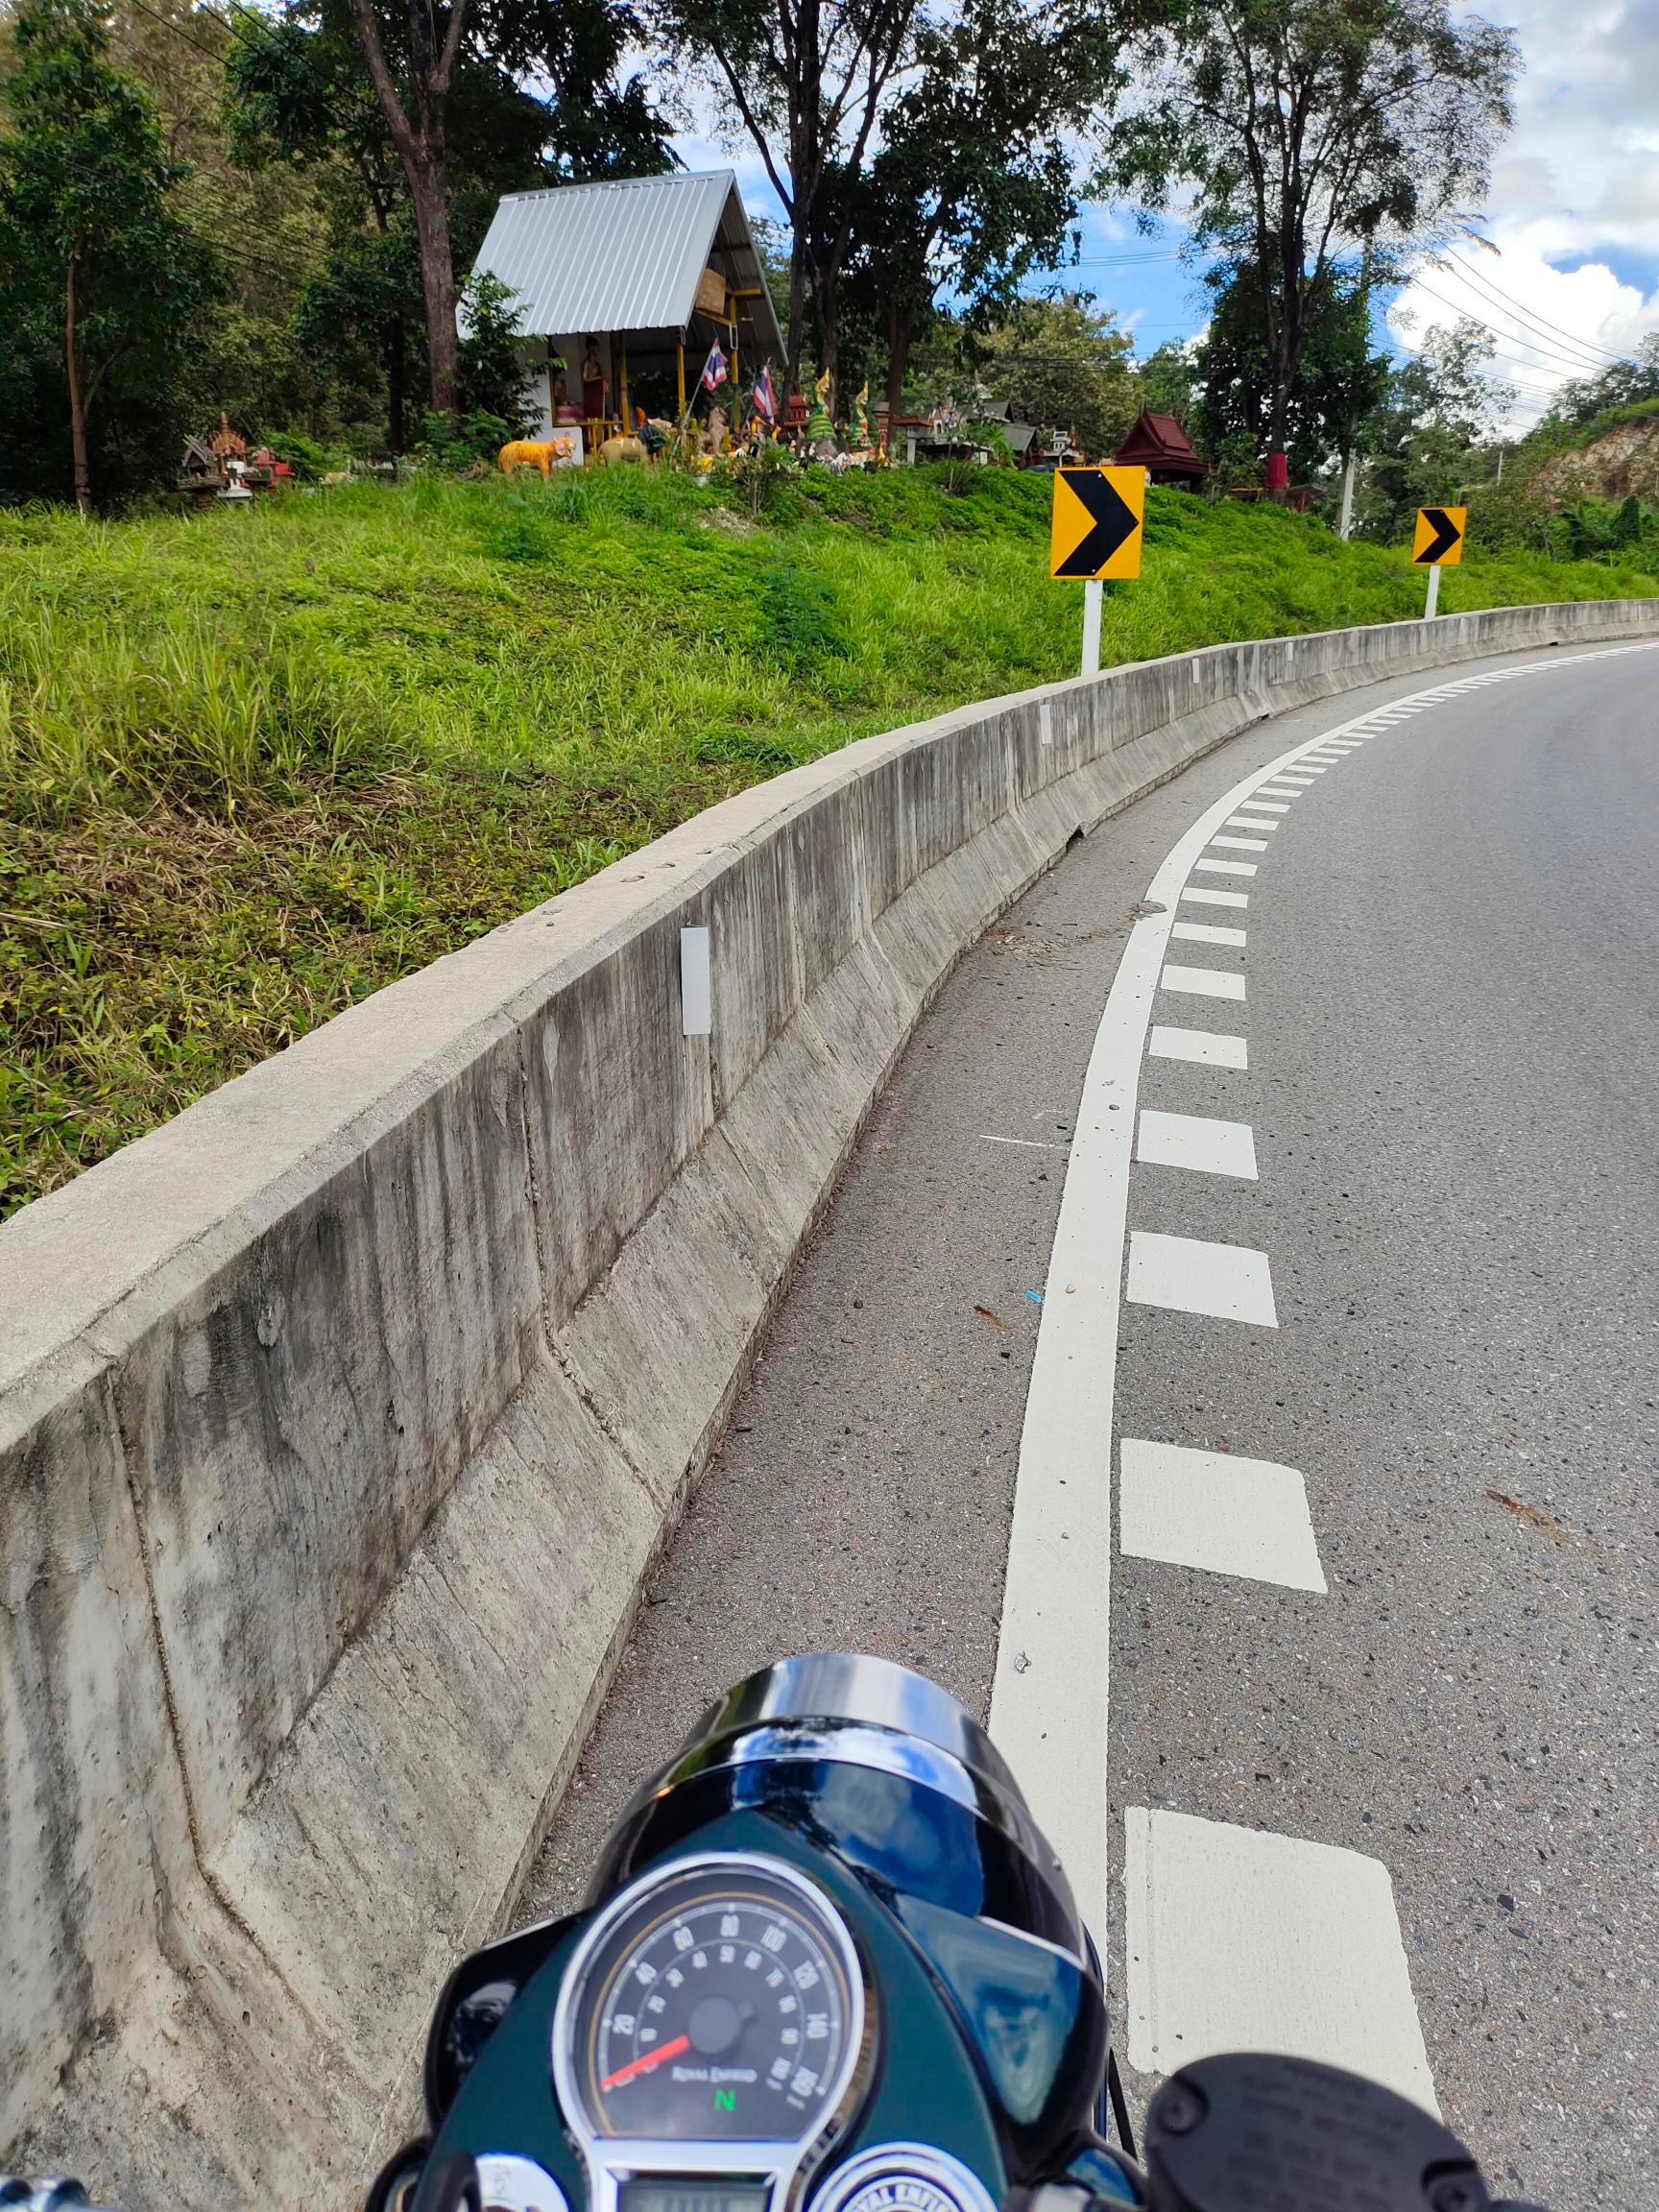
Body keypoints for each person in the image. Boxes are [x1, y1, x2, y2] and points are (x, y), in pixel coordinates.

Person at [581, 339, 608, 428]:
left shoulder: (597, 364)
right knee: (591, 414)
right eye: (596, 348)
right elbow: (585, 379)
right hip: (590, 394)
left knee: (599, 413)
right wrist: (598, 378)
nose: (598, 350)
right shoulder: (587, 363)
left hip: (598, 394)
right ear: (591, 349)